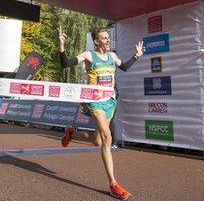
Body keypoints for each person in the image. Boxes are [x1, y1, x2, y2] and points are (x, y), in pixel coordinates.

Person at [57, 26, 143, 200]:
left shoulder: (112, 56)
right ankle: (113, 184)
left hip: (109, 102)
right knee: (107, 137)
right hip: (94, 102)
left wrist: (136, 56)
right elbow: (66, 64)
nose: (108, 40)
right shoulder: (89, 55)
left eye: (108, 38)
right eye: (104, 38)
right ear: (96, 41)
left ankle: (71, 134)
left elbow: (124, 67)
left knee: (98, 141)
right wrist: (61, 46)